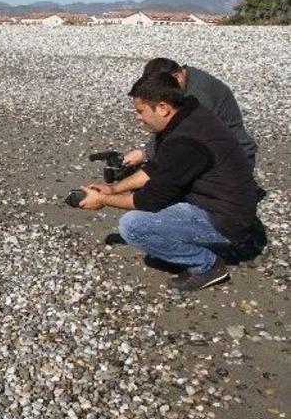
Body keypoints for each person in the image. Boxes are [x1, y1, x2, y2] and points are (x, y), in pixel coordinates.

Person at [79, 71, 259, 291]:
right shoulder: (190, 114)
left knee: (133, 226)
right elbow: (155, 169)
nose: (138, 118)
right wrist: (112, 188)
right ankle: (185, 244)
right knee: (155, 208)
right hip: (224, 203)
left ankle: (208, 266)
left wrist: (104, 200)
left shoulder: (186, 142)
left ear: (163, 108)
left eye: (140, 111)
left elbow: (148, 200)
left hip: (226, 220)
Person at [123, 58, 258, 169]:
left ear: (177, 77)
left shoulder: (199, 94)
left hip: (236, 157)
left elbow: (182, 129)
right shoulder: (185, 83)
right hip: (213, 147)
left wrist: (146, 154)